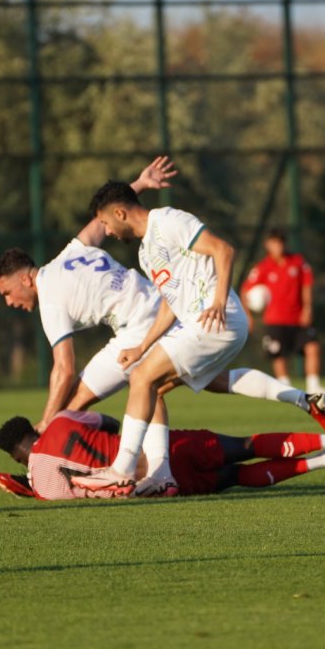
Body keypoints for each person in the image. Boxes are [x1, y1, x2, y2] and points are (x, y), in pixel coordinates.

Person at [0, 161, 325, 438]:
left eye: (7, 292)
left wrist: (43, 425)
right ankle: (303, 399)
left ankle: (85, 464)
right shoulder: (68, 254)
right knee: (210, 381)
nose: (9, 302)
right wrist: (137, 186)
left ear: (24, 278)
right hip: (165, 307)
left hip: (140, 325)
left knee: (79, 397)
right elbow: (104, 222)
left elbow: (63, 369)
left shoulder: (49, 297)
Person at [72, 182, 250, 497]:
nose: (107, 231)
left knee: (141, 377)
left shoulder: (169, 220)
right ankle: (161, 476)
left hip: (216, 319)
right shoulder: (145, 253)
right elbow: (170, 302)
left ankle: (121, 471)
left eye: (105, 223)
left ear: (120, 212)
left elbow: (224, 250)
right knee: (151, 388)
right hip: (203, 322)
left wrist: (219, 302)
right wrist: (142, 347)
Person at [0, 411, 325, 500]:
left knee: (236, 476)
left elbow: (42, 485)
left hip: (160, 485)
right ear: (33, 431)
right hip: (163, 451)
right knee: (247, 445)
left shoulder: (42, 489)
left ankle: (321, 463)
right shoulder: (58, 422)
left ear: (16, 458)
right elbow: (107, 421)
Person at [241, 228, 325, 395]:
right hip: (275, 319)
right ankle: (285, 386)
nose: (278, 246)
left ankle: (313, 385)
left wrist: (307, 308)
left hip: (298, 317)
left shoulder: (297, 262)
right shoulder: (263, 267)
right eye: (274, 243)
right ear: (268, 245)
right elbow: (245, 291)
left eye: (281, 242)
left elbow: (306, 286)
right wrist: (248, 315)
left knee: (312, 347)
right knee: (278, 354)